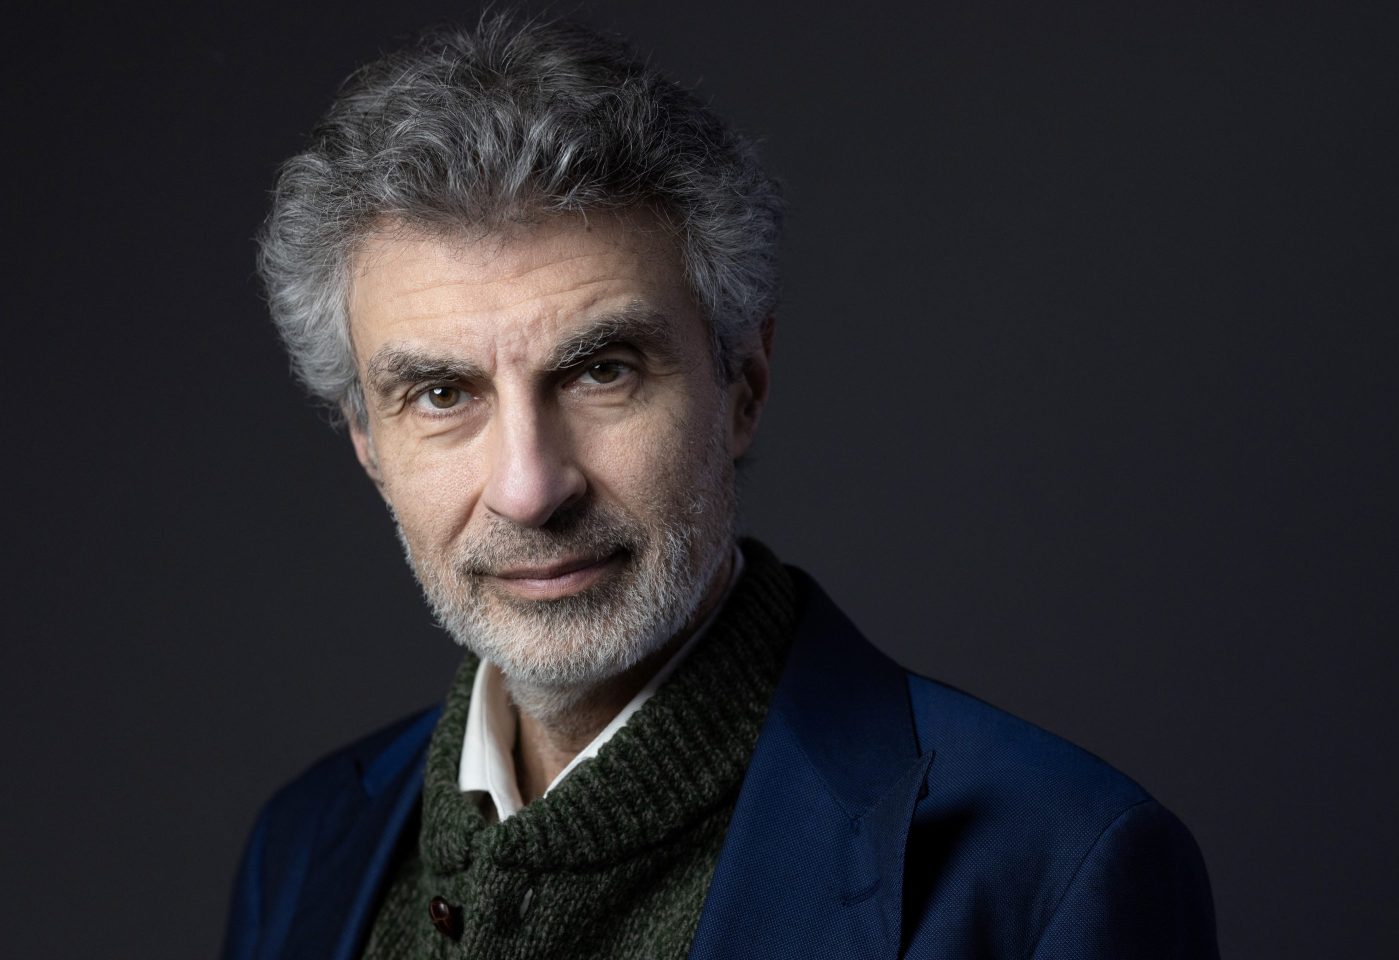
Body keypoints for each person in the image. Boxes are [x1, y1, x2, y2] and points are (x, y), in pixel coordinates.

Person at [223, 13, 1219, 960]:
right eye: (442, 392)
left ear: (742, 381)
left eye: (601, 370)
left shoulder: (1054, 869)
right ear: (365, 437)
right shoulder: (306, 849)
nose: (529, 489)